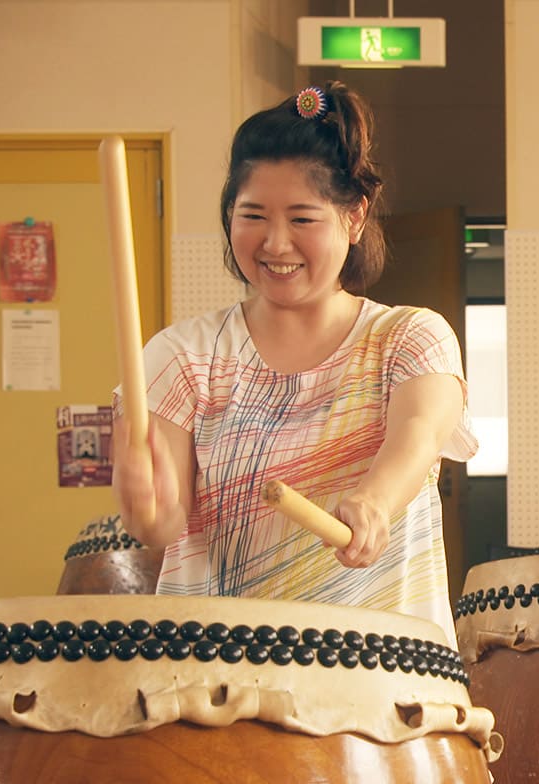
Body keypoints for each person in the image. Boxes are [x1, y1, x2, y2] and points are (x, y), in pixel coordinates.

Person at [113, 82, 474, 639]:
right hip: (218, 679)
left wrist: (375, 503)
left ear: (355, 218)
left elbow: (421, 432)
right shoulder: (183, 357)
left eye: (302, 220)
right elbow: (164, 527)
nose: (275, 244)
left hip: (386, 682)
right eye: (252, 215)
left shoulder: (409, 337)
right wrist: (143, 504)